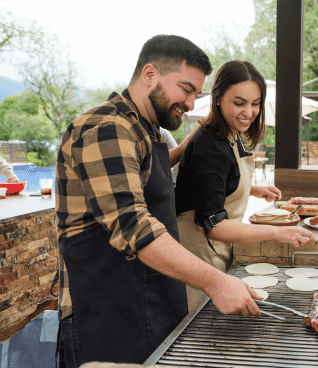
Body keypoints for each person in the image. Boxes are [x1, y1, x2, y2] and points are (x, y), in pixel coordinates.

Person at [54, 35, 263, 367]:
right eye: (186, 89)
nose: (192, 104)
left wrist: (183, 149)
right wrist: (214, 280)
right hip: (107, 314)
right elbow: (133, 226)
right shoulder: (105, 128)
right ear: (149, 74)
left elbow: (147, 171)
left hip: (150, 301)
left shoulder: (146, 129)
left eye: (196, 93)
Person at [175, 60, 316, 310]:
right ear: (218, 98)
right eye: (239, 103)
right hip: (199, 254)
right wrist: (277, 232)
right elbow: (214, 226)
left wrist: (252, 189)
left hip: (216, 251)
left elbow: (216, 182)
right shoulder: (209, 145)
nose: (249, 112)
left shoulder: (231, 133)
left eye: (255, 103)